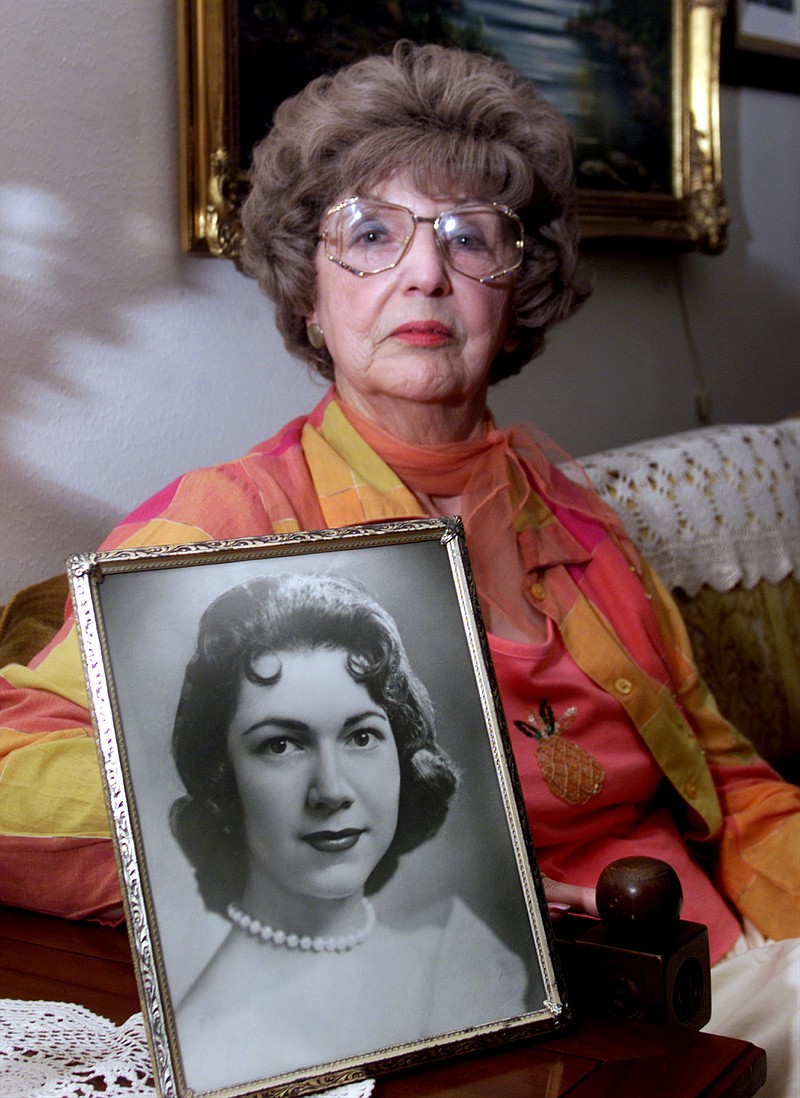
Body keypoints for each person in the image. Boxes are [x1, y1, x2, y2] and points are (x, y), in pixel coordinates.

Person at [0, 39, 796, 1093]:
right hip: (514, 1027)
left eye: (471, 238)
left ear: (518, 291)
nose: (426, 269)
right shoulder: (231, 524)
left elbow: (730, 779)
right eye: (370, 235)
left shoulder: (572, 515)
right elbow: (11, 778)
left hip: (718, 979)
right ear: (309, 289)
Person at [168, 571, 529, 1089]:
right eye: (280, 745)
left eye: (361, 736)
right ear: (222, 779)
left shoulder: (459, 955)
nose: (331, 790)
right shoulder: (208, 1047)